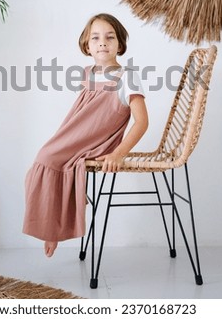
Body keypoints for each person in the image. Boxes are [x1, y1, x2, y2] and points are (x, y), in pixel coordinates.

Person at [23, 13, 148, 257]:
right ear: (87, 46)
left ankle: (53, 231)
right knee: (38, 167)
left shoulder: (127, 78)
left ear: (120, 45)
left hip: (98, 142)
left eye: (110, 37)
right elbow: (82, 113)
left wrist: (119, 153)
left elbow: (141, 122)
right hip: (74, 135)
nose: (103, 42)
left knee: (47, 159)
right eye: (96, 38)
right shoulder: (87, 73)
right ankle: (55, 220)